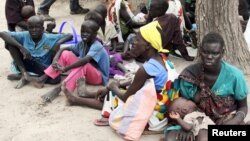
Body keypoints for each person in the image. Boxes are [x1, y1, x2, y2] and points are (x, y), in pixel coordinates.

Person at [101, 21, 179, 140]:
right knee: (120, 87)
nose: (133, 43)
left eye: (137, 40)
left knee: (112, 94)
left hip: (153, 116)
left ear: (148, 45)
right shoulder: (163, 59)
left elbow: (125, 97)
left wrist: (112, 86)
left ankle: (96, 109)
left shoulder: (146, 69)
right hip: (164, 111)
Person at [164, 32, 248, 141]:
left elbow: (243, 106)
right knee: (171, 138)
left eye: (215, 53)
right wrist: (187, 127)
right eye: (205, 52)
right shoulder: (190, 74)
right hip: (196, 121)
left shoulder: (234, 76)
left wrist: (233, 122)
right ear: (200, 50)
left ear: (222, 53)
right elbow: (185, 108)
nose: (209, 57)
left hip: (226, 120)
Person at [28, 20, 110, 106]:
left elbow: (85, 60)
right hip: (86, 74)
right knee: (66, 54)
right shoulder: (82, 43)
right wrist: (55, 59)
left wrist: (67, 68)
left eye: (88, 32)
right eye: (82, 32)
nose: (84, 34)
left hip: (99, 77)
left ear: (95, 35)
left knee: (83, 64)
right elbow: (64, 49)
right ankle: (43, 78)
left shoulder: (97, 46)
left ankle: (59, 88)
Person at [0, 16, 73, 89]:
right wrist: (21, 47)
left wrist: (58, 43)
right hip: (27, 62)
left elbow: (70, 35)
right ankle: (24, 74)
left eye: (37, 27)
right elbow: (2, 33)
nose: (34, 30)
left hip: (42, 67)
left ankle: (29, 78)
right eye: (31, 27)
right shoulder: (25, 35)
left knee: (56, 79)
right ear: (28, 28)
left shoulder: (49, 37)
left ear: (42, 29)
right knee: (10, 44)